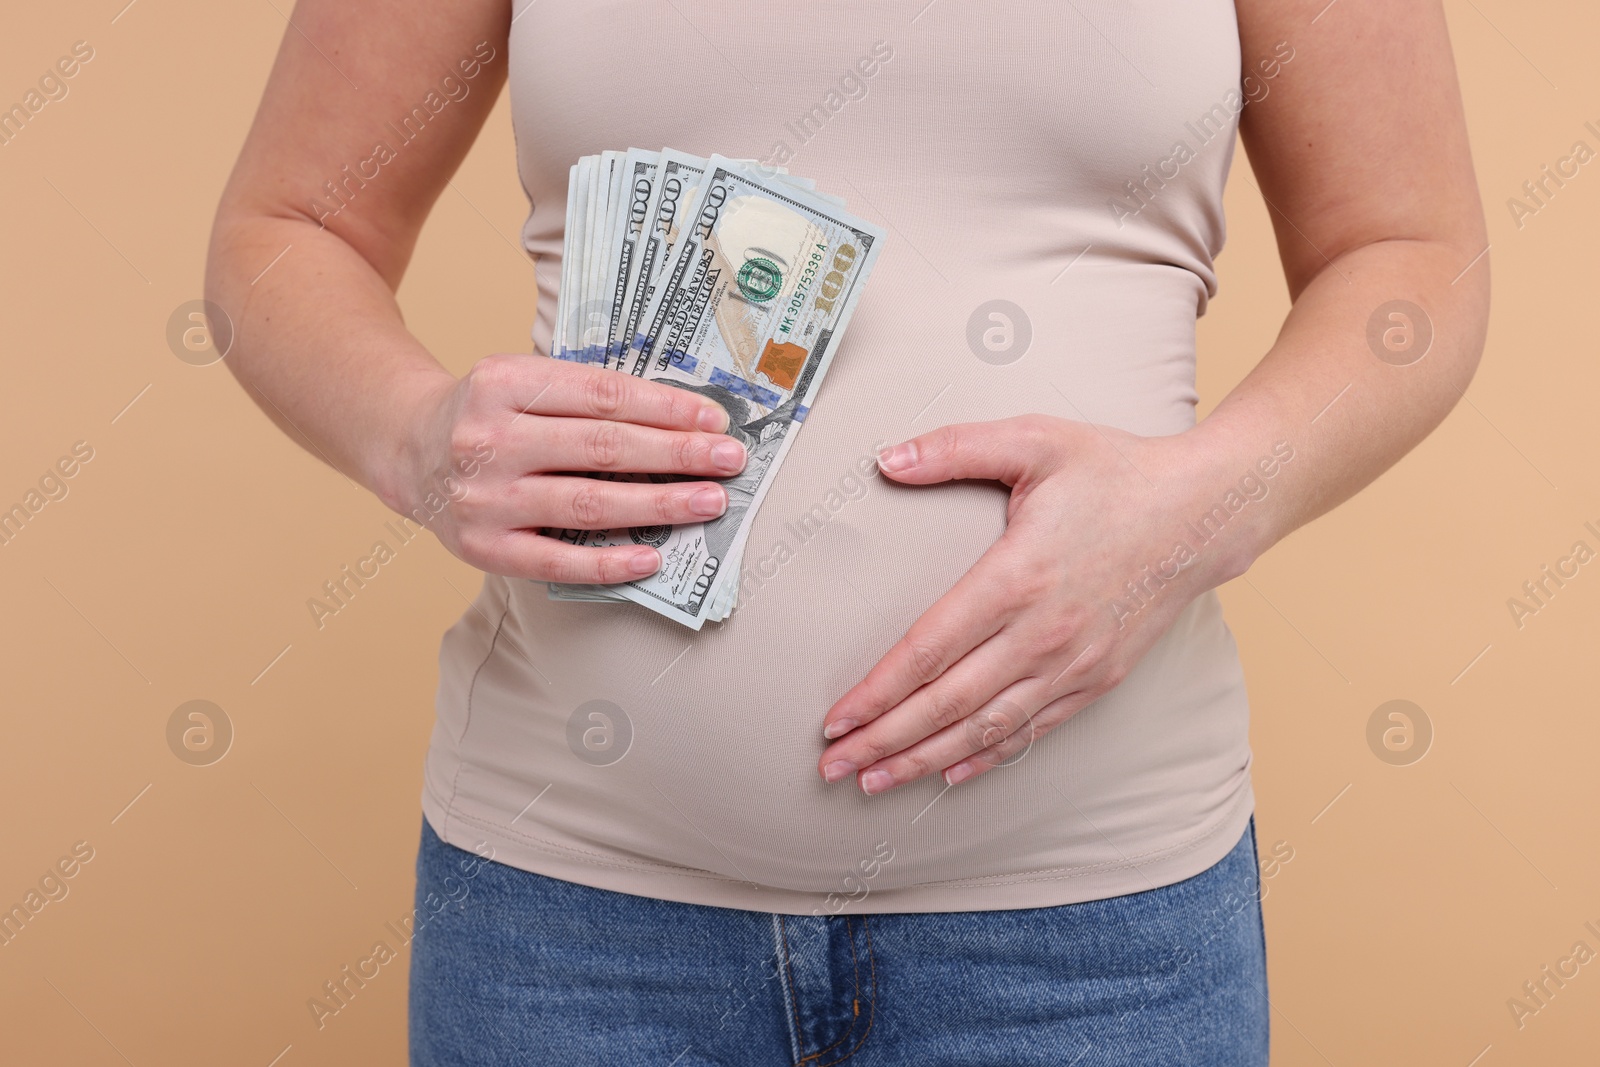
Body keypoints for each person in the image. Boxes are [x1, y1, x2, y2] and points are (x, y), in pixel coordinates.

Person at [206, 1, 1487, 1063]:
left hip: (1089, 941)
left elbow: (1410, 251)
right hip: (574, 925)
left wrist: (1206, 503)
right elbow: (291, 230)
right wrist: (415, 435)